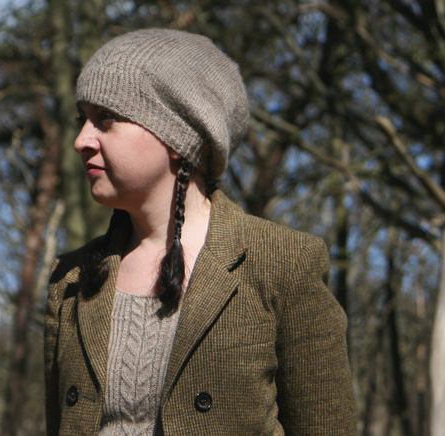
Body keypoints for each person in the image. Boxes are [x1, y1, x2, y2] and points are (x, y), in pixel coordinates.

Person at [44, 28, 356, 435]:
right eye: (82, 119)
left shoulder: (283, 263)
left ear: (179, 136)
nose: (81, 140)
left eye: (106, 117)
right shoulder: (70, 279)